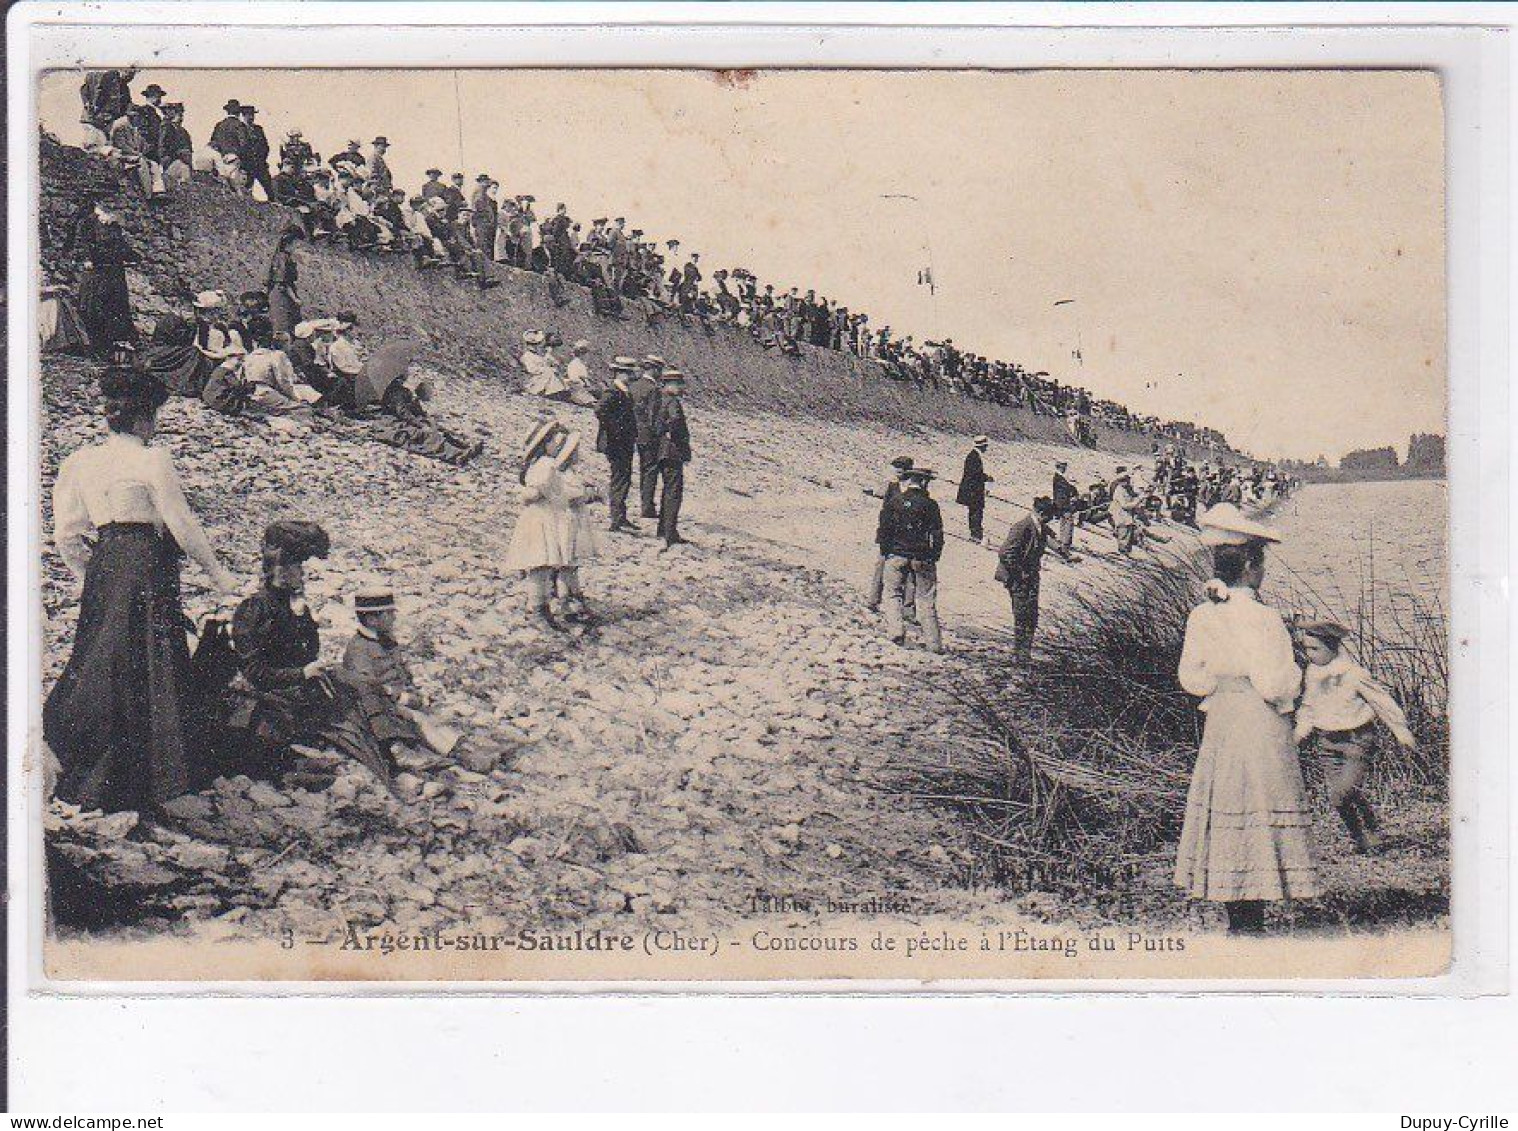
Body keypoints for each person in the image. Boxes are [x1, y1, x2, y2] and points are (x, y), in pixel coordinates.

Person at [45, 356, 242, 814]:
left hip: (105, 564)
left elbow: (67, 535)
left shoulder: (79, 461)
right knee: (150, 659)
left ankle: (82, 759)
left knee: (99, 659)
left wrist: (92, 577)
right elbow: (180, 521)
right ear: (145, 416)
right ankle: (156, 775)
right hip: (145, 561)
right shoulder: (152, 457)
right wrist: (217, 572)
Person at [1175, 504, 1321, 933]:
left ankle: (1237, 912)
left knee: (1228, 804)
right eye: (1263, 564)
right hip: (1258, 720)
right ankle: (1252, 913)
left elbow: (1192, 678)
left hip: (1222, 718)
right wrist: (1297, 687)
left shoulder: (1202, 614)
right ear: (1253, 565)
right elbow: (1277, 682)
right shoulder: (1265, 618)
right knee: (1258, 804)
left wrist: (1222, 683)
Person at [1293, 620, 1416, 854]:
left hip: (1356, 740)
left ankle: (1369, 823)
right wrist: (1299, 733)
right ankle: (1361, 837)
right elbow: (1309, 706)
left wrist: (1401, 730)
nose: (1309, 655)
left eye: (1315, 649)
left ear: (1332, 647)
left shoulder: (1354, 673)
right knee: (1337, 796)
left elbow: (1382, 701)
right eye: (1306, 649)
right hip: (1327, 742)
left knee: (1344, 791)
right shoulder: (1312, 673)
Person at [503, 421, 576, 631]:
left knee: (542, 563)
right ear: (545, 443)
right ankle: (537, 607)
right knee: (540, 563)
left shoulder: (540, 464)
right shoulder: (546, 465)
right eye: (555, 441)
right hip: (541, 518)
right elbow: (535, 491)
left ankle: (540, 606)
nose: (558, 445)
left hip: (541, 516)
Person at [876, 467, 944, 653]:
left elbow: (884, 529)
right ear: (923, 482)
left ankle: (896, 630)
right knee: (926, 599)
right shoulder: (930, 505)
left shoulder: (896, 501)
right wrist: (934, 555)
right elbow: (937, 534)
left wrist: (886, 550)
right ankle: (933, 642)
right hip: (921, 557)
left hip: (897, 554)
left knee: (892, 593)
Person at [66, 202, 137, 355]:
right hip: (97, 272)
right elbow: (82, 243)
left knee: (116, 306)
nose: (110, 220)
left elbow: (121, 245)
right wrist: (86, 258)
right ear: (102, 211)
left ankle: (115, 342)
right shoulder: (88, 223)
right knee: (95, 306)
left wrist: (132, 256)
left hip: (114, 271)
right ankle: (96, 344)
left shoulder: (114, 226)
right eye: (109, 216)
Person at [996, 497, 1055, 663]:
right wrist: (1020, 573)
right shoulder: (1022, 527)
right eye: (1051, 516)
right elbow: (1005, 553)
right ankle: (1019, 653)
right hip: (1018, 578)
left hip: (1030, 576)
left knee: (1031, 615)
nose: (1052, 520)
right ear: (1042, 513)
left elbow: (1049, 539)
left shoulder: (1039, 525)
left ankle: (1024, 653)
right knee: (1022, 614)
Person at [594, 356, 641, 533]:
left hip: (623, 443)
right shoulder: (613, 392)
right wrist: (616, 432)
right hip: (617, 444)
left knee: (624, 478)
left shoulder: (622, 391)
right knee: (619, 479)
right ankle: (616, 519)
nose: (630, 376)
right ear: (620, 374)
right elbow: (600, 410)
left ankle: (620, 516)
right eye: (628, 373)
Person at [865, 455, 916, 613]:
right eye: (897, 468)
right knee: (884, 566)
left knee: (906, 571)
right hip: (891, 533)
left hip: (901, 534)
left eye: (901, 469)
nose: (898, 472)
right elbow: (885, 512)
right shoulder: (893, 486)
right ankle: (874, 600)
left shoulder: (908, 487)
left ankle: (906, 607)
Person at [653, 369, 693, 550]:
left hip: (661, 449)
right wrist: (678, 439)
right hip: (672, 451)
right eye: (677, 384)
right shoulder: (672, 401)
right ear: (668, 384)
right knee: (673, 492)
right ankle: (670, 533)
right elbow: (675, 422)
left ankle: (664, 529)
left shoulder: (659, 398)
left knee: (667, 491)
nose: (680, 388)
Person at [631, 355, 664, 520]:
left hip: (633, 433)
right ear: (655, 369)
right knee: (650, 470)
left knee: (643, 468)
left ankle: (645, 504)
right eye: (660, 370)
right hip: (648, 435)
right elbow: (654, 416)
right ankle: (647, 507)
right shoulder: (654, 389)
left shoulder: (634, 385)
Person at [265, 224, 305, 336]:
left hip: (285, 293)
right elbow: (282, 282)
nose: (297, 248)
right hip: (281, 295)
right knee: (283, 324)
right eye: (296, 244)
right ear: (289, 243)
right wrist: (295, 299)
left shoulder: (283, 257)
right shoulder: (282, 258)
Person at [955, 435, 994, 544]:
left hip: (972, 490)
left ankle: (975, 535)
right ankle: (976, 536)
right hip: (973, 491)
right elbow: (975, 474)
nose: (986, 448)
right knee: (976, 512)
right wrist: (987, 478)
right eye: (985, 446)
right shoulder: (974, 457)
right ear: (982, 446)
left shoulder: (973, 455)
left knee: (974, 512)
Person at [236, 104, 274, 200]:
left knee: (270, 188)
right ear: (244, 115)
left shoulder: (258, 129)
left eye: (253, 115)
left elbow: (266, 146)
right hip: (247, 165)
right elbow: (241, 147)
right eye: (249, 115)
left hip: (260, 164)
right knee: (246, 189)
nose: (251, 117)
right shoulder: (240, 129)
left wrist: (261, 158)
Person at [1051, 459, 1078, 560]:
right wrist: (1068, 504)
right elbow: (1062, 495)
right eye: (1064, 466)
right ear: (1060, 467)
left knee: (1064, 523)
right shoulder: (1059, 479)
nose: (1065, 468)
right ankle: (1065, 545)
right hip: (1063, 505)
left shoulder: (1059, 478)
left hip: (1061, 504)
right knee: (1068, 524)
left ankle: (1063, 542)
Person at [1109, 466, 1139, 555]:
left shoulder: (1127, 488)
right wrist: (1136, 502)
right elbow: (1124, 505)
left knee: (1129, 528)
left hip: (1127, 512)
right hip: (1119, 511)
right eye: (1125, 480)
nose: (1127, 481)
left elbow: (1133, 496)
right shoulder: (1119, 489)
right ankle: (1122, 549)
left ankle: (1126, 549)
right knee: (1123, 529)